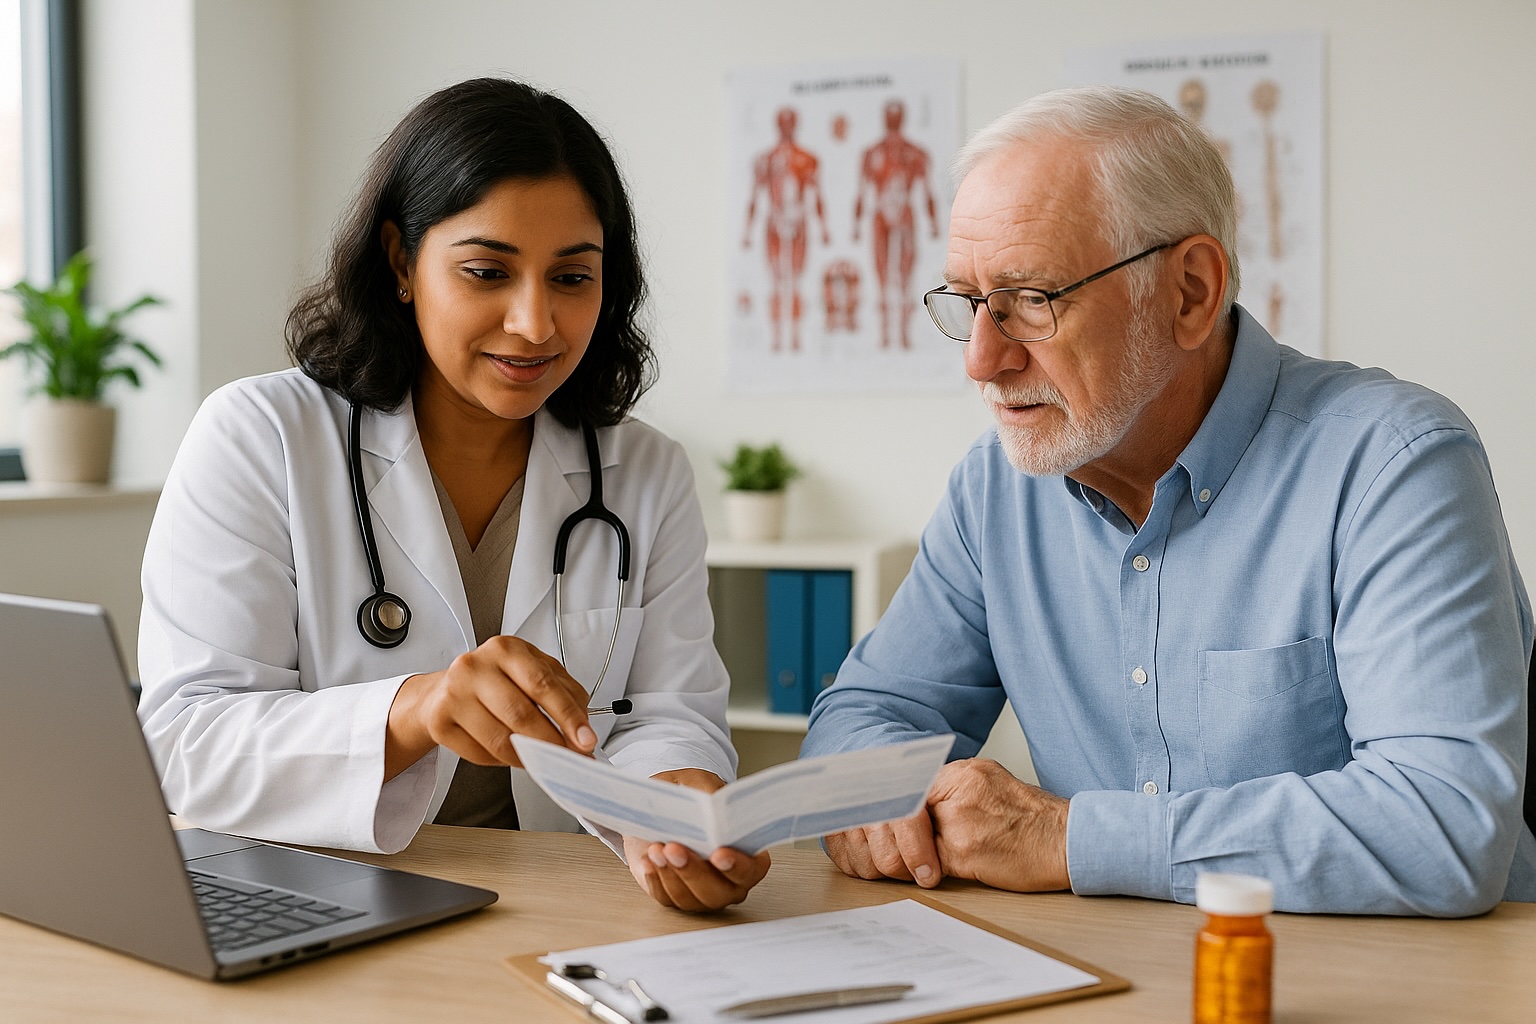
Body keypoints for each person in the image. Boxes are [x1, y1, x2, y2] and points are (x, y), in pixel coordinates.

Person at [801, 85, 1535, 916]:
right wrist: (878, 798)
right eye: (970, 303)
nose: (981, 359)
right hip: (1112, 980)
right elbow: (868, 713)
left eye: (1031, 302)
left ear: (1189, 291)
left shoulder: (1394, 464)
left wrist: (1064, 838)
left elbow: (1442, 826)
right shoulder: (994, 488)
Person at [137, 78, 769, 912]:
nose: (535, 323)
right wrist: (415, 708)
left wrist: (678, 801)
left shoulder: (644, 472)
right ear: (402, 262)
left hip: (557, 898)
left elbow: (670, 711)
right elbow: (187, 743)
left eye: (573, 278)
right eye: (486, 271)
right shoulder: (260, 436)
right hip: (330, 895)